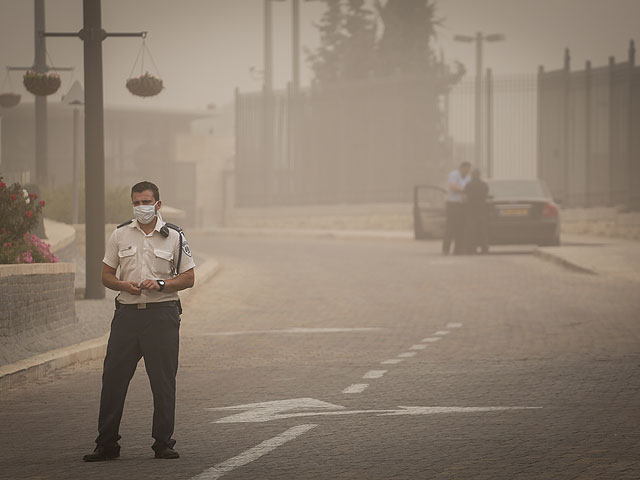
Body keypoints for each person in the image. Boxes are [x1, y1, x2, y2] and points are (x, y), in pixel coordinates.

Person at [83, 181, 196, 462]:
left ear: (157, 204)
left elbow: (189, 278)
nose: (141, 207)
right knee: (113, 380)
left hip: (162, 316)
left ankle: (163, 443)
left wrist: (160, 283)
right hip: (127, 317)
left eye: (146, 202)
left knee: (163, 382)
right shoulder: (120, 235)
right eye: (136, 202)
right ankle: (106, 444)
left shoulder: (174, 236)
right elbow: (106, 274)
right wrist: (122, 284)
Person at [442, 161, 471, 255]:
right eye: (467, 169)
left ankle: (458, 249)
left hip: (462, 205)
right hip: (452, 204)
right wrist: (464, 190)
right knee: (450, 227)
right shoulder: (454, 174)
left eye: (469, 169)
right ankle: (446, 249)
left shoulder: (468, 177)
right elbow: (452, 187)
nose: (468, 171)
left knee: (460, 227)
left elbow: (469, 189)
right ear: (462, 168)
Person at [463, 169, 490, 254]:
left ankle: (471, 249)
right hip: (482, 210)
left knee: (471, 230)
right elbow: (486, 196)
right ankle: (484, 249)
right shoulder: (484, 185)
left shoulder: (468, 185)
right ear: (479, 175)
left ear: (472, 175)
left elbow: (465, 197)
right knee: (483, 230)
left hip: (471, 210)